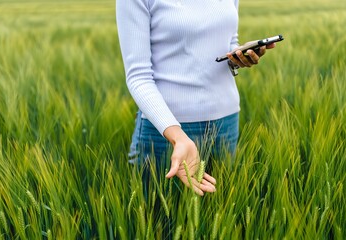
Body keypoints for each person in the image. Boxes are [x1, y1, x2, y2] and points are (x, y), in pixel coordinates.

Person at [116, 0, 275, 196]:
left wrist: (238, 57)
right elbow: (138, 77)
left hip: (225, 124)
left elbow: (227, 39)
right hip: (164, 131)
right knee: (156, 220)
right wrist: (178, 138)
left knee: (218, 211)